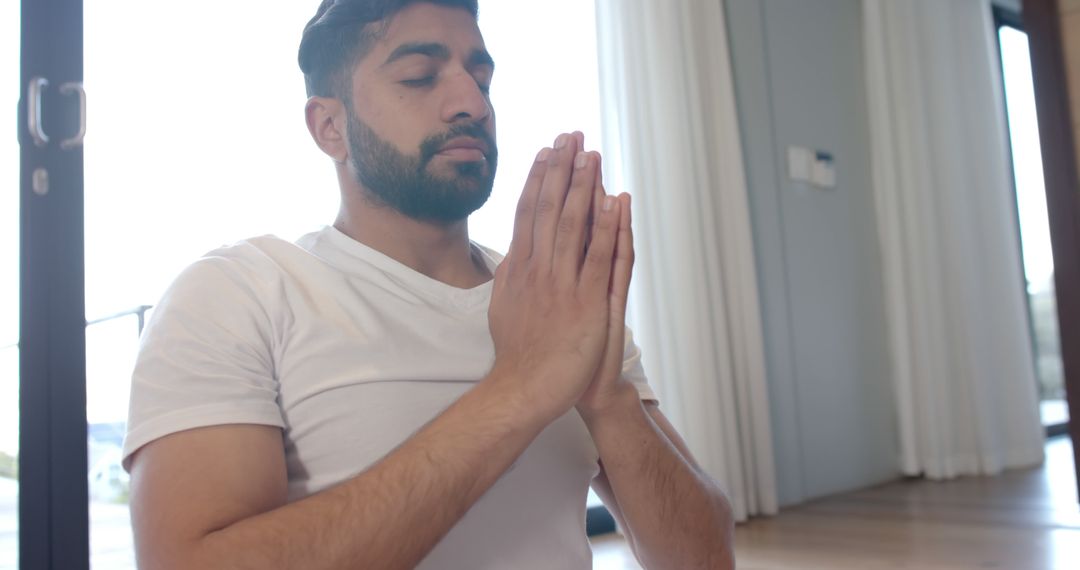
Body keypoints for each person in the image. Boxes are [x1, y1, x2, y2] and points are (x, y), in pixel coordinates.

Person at [121, 1, 734, 568]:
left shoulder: (556, 301)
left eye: (483, 78)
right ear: (329, 126)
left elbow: (704, 560)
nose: (472, 101)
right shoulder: (238, 292)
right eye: (420, 77)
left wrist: (607, 396)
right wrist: (521, 387)